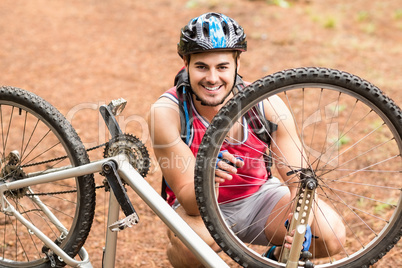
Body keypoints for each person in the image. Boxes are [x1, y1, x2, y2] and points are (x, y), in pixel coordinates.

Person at [149, 12, 345, 267]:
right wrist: (208, 176)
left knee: (332, 236)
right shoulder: (167, 113)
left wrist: (300, 226)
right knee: (191, 248)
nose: (211, 78)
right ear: (185, 62)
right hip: (198, 212)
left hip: (260, 199)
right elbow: (189, 201)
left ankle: (275, 256)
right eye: (201, 66)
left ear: (237, 64)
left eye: (222, 67)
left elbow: (298, 179)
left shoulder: (266, 104)